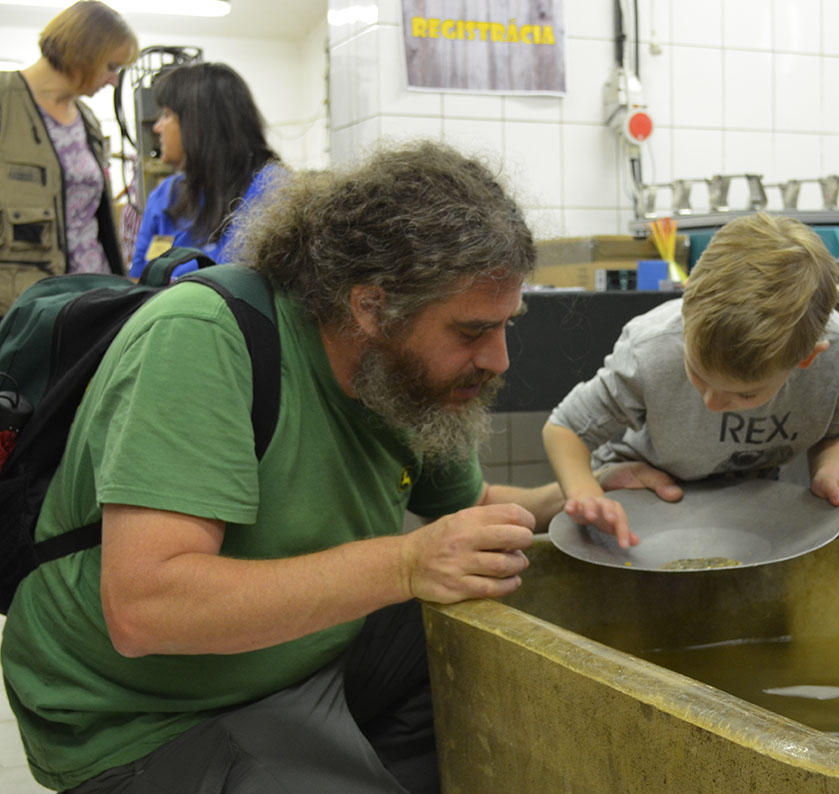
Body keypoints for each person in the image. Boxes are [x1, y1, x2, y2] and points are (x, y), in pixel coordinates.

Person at [0, 140, 572, 793]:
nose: (499, 360)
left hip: (300, 659)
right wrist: (404, 564)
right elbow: (146, 609)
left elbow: (470, 514)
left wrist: (573, 498)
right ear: (371, 308)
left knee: (495, 600)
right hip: (142, 712)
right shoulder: (207, 337)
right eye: (471, 332)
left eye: (506, 325)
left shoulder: (403, 379)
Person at [542, 212, 839, 548]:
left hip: (749, 502)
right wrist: (587, 494)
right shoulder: (651, 349)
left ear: (807, 359)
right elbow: (565, 429)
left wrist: (828, 474)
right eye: (697, 374)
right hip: (647, 495)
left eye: (745, 395)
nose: (712, 403)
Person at [0, 1, 136, 313]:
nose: (114, 80)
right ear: (82, 53)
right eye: (111, 67)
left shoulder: (86, 120)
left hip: (90, 300)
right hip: (23, 306)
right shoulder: (5, 100)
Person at [129, 62, 281, 279]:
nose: (157, 127)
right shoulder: (164, 196)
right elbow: (139, 279)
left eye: (167, 115)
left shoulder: (272, 192)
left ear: (199, 123)